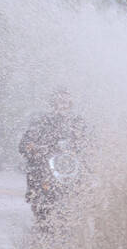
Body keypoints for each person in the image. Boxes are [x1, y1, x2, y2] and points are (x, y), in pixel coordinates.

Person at [19, 88, 89, 225]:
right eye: (59, 101)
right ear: (53, 103)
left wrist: (88, 150)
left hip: (73, 168)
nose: (63, 105)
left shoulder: (78, 123)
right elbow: (25, 144)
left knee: (88, 184)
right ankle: (39, 208)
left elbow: (91, 142)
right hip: (47, 169)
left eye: (66, 102)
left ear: (71, 104)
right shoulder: (42, 122)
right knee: (38, 176)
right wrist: (34, 148)